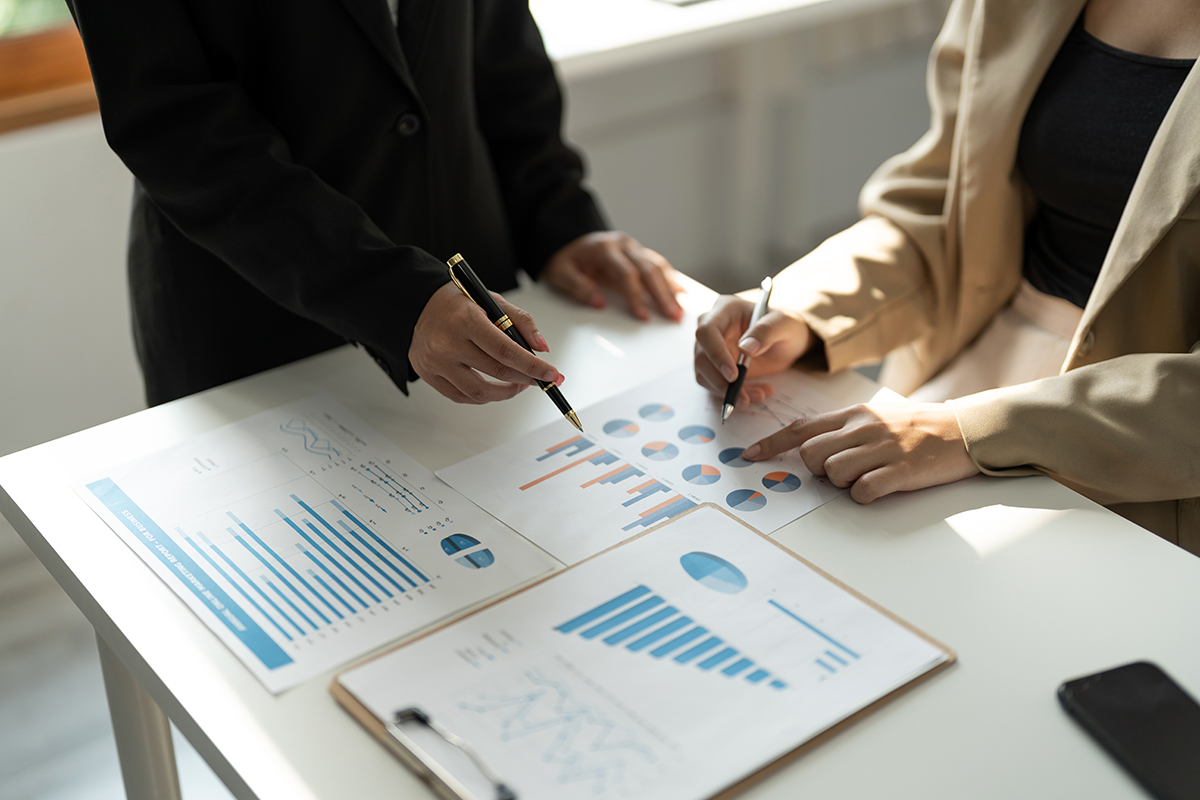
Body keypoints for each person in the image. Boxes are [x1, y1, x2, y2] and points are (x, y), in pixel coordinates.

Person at [694, 0, 1200, 555]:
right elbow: (945, 205)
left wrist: (972, 432)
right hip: (965, 380)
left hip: (1144, 452)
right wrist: (802, 309)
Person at [66, 0, 682, 408]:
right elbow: (176, 129)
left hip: (475, 294)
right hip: (258, 319)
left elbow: (498, 47)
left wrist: (558, 221)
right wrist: (391, 294)